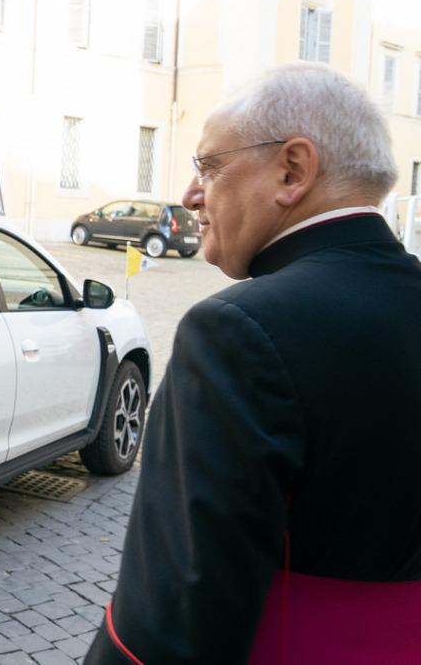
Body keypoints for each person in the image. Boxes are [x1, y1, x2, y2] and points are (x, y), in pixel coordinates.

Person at [85, 63, 421, 663]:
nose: (190, 195)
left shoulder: (235, 331)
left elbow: (175, 619)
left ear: (293, 170)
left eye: (209, 166)